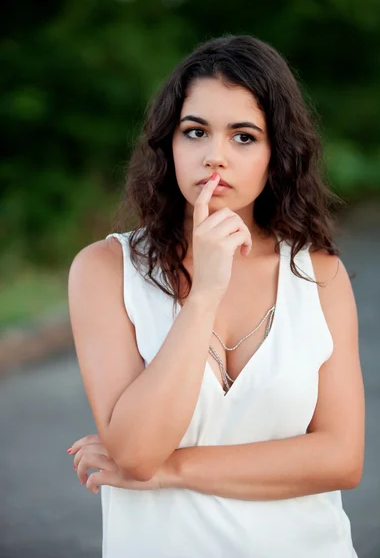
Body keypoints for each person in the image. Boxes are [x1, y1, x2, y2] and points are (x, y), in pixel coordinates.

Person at [67, 34, 364, 558]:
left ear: (276, 154)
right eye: (196, 131)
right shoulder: (105, 269)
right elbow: (135, 453)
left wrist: (173, 469)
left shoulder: (320, 275)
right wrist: (203, 293)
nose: (215, 157)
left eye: (244, 136)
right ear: (170, 144)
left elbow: (341, 458)